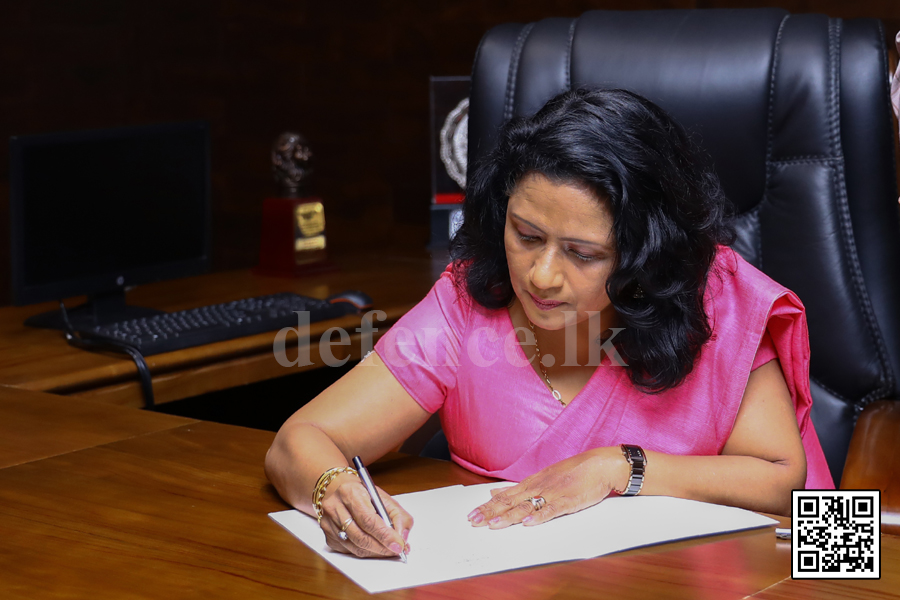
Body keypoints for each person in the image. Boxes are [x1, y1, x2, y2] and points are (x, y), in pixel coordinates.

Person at [265, 88, 834, 561]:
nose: (540, 276)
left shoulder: (719, 300)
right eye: (526, 235)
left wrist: (619, 466)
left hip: (751, 568)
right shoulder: (469, 301)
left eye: (582, 254)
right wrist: (332, 491)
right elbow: (299, 441)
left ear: (642, 255)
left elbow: (784, 481)